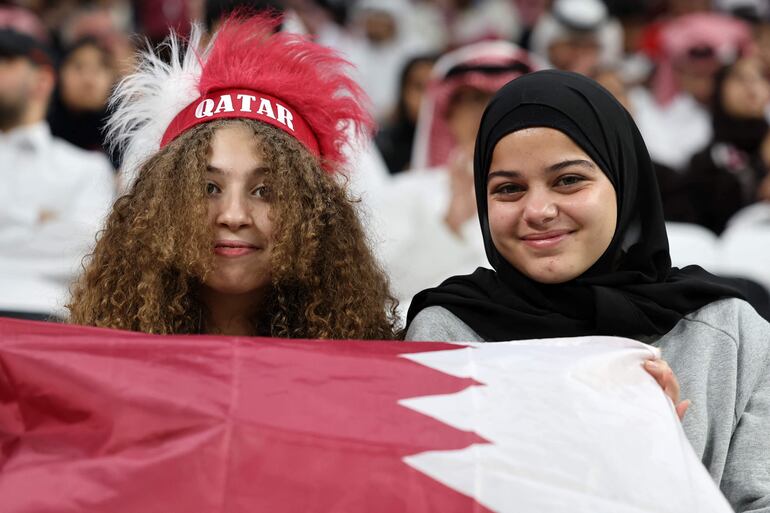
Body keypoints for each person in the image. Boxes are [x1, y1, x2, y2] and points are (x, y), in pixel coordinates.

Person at [405, 70, 770, 511]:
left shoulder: (729, 336)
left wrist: (666, 476)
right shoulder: (447, 336)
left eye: (568, 180)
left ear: (623, 179)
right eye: (509, 189)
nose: (538, 210)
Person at [67, 14, 398, 339]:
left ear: (315, 216)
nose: (234, 216)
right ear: (159, 205)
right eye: (209, 188)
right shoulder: (97, 354)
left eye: (264, 191)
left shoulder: (363, 359)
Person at [0, 7, 115, 320]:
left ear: (42, 80)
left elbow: (87, 252)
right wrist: (36, 220)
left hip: (46, 319)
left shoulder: (86, 167)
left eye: (6, 61)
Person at [675, 56, 770, 234]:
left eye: (760, 77)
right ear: (720, 89)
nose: (751, 86)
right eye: (740, 78)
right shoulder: (704, 162)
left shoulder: (766, 148)